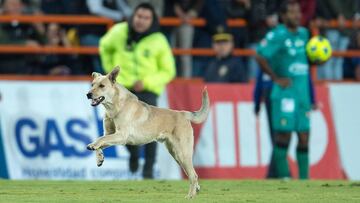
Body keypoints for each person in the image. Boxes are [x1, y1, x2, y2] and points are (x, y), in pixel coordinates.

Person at [99, 3, 176, 179]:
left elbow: (168, 70)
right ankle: (133, 153)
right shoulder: (119, 32)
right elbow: (104, 46)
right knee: (117, 128)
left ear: (152, 20)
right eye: (139, 16)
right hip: (121, 92)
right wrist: (109, 77)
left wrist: (147, 81)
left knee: (153, 131)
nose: (141, 21)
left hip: (147, 91)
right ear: (133, 16)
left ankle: (148, 170)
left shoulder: (158, 40)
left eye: (146, 18)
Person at [255, 0, 312, 179]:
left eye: (298, 12)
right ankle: (285, 178)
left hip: (303, 93)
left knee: (304, 136)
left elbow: (308, 61)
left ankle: (305, 181)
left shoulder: (304, 34)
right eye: (292, 12)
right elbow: (259, 55)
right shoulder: (277, 35)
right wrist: (275, 78)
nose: (297, 16)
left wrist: (319, 60)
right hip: (284, 94)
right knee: (283, 136)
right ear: (284, 16)